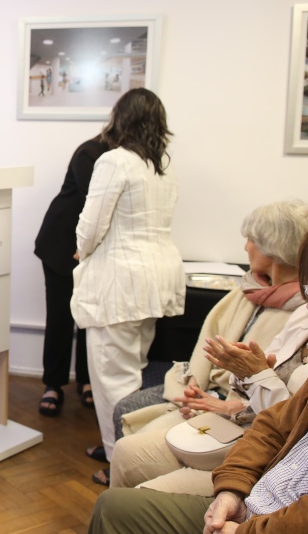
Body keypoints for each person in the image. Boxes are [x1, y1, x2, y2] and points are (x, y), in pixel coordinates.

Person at [88, 241, 308, 534]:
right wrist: (232, 489)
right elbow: (274, 425)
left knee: (135, 497)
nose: (307, 306)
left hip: (267, 510)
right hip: (255, 482)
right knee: (114, 498)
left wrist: (241, 530)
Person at [109, 202, 308, 493]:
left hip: (243, 418)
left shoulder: (302, 313)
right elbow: (210, 343)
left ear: (272, 246)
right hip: (222, 398)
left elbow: (273, 392)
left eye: (251, 239)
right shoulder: (254, 290)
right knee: (127, 435)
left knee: (136, 457)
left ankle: (132, 496)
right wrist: (195, 385)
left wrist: (228, 400)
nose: (245, 247)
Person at [69, 88, 185, 485]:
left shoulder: (115, 160)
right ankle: (124, 449)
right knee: (132, 372)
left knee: (111, 380)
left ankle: (122, 464)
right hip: (154, 282)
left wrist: (82, 251)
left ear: (121, 119)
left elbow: (91, 225)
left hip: (119, 285)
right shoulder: (161, 167)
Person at [34, 135, 109, 415]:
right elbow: (95, 203)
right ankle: (53, 384)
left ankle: (87, 381)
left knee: (91, 317)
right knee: (60, 317)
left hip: (93, 248)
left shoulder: (124, 157)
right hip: (61, 244)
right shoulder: (89, 153)